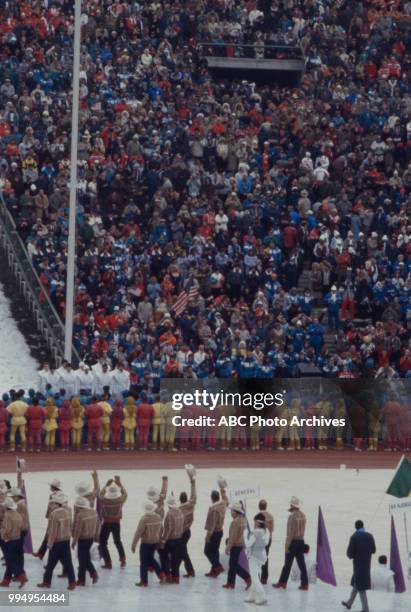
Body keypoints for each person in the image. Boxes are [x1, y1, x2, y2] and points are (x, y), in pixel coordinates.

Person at [37, 492, 76, 590]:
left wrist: (49, 543)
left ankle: (46, 582)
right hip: (66, 541)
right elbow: (70, 526)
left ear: (56, 504)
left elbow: (53, 531)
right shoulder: (67, 512)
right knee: (68, 563)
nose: (50, 505)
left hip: (56, 542)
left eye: (52, 503)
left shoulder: (54, 514)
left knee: (50, 564)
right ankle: (72, 582)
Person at [273, 496, 308, 590]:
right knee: (302, 564)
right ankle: (305, 584)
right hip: (301, 541)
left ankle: (282, 582)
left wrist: (287, 545)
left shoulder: (292, 516)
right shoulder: (303, 515)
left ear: (292, 505)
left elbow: (290, 532)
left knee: (287, 564)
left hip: (293, 542)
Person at [342, 520, 376, 612]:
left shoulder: (354, 537)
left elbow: (350, 554)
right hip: (366, 565)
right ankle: (349, 603)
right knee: (357, 584)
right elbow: (373, 550)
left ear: (355, 527)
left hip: (358, 565)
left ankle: (365, 609)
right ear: (363, 526)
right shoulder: (370, 536)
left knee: (360, 587)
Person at [131, 500, 165, 587]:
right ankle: (161, 574)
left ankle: (144, 581)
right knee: (151, 559)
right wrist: (159, 538)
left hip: (146, 543)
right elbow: (161, 529)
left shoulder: (144, 519)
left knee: (143, 562)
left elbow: (139, 532)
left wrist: (134, 544)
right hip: (155, 542)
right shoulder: (158, 517)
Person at [99, 476, 127, 569]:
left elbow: (100, 494)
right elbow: (125, 494)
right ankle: (122, 559)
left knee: (103, 542)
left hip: (106, 523)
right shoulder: (119, 500)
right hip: (116, 523)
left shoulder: (104, 500)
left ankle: (108, 562)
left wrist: (106, 485)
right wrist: (120, 483)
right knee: (117, 541)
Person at [71, 496, 100, 586]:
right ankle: (93, 573)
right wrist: (96, 535)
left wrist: (74, 541)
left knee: (82, 560)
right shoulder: (94, 512)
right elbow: (98, 525)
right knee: (85, 558)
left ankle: (81, 580)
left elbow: (78, 530)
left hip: (82, 540)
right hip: (91, 539)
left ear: (78, 506)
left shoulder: (80, 515)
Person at [33, 479, 64, 560]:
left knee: (49, 536)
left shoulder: (53, 495)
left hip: (53, 518)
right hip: (59, 517)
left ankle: (42, 554)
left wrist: (49, 517)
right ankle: (41, 553)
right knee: (48, 536)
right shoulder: (62, 494)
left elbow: (50, 507)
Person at [204, 476, 229, 578]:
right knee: (215, 551)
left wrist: (208, 536)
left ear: (211, 498)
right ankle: (214, 571)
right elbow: (226, 499)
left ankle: (217, 566)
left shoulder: (214, 509)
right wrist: (222, 489)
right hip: (220, 531)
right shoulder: (223, 504)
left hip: (214, 532)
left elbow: (212, 525)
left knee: (207, 551)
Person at [223, 502, 251, 590]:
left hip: (235, 545)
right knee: (233, 564)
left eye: (231, 511)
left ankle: (247, 578)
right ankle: (231, 583)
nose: (231, 512)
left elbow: (233, 537)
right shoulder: (244, 519)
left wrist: (228, 547)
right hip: (241, 544)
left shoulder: (235, 522)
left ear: (235, 512)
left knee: (233, 565)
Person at [244, 513, 270, 605]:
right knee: (255, 575)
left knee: (254, 577)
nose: (253, 523)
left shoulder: (255, 533)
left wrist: (245, 534)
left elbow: (248, 544)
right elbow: (266, 543)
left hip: (254, 556)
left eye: (254, 522)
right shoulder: (266, 531)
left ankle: (262, 596)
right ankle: (252, 596)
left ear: (258, 523)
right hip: (262, 555)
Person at [0, 497, 26, 588]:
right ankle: (6, 581)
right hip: (18, 540)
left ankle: (20, 576)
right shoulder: (18, 514)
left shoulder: (7, 515)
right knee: (12, 560)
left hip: (10, 541)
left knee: (10, 561)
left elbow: (7, 529)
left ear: (6, 507)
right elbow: (22, 527)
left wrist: (2, 534)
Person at [160, 495, 184, 583]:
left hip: (171, 539)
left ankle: (168, 575)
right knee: (175, 559)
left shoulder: (169, 514)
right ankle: (176, 577)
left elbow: (168, 529)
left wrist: (163, 540)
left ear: (169, 505)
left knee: (164, 556)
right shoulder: (180, 512)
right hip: (179, 538)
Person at [179, 465, 197, 578]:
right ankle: (189, 570)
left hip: (181, 533)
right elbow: (194, 494)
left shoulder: (179, 509)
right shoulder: (191, 505)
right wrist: (192, 482)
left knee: (183, 551)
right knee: (182, 550)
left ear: (180, 499)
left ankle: (190, 570)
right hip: (188, 531)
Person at [258, 499, 274, 584]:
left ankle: (259, 576)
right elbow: (272, 529)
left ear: (259, 506)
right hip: (268, 539)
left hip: (261, 539)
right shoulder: (270, 516)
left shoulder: (258, 516)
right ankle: (265, 577)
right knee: (266, 557)